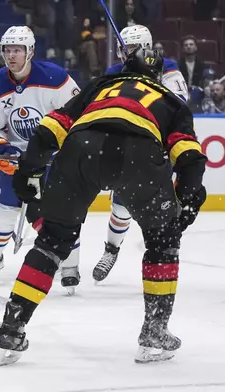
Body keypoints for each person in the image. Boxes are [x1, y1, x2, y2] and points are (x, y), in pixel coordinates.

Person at [0, 47, 206, 366]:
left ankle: (12, 327)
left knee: (52, 242)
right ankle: (154, 332)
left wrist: (30, 169)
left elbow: (52, 128)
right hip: (139, 154)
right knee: (162, 244)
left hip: (82, 148)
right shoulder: (172, 101)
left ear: (124, 68)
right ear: (157, 76)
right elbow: (188, 156)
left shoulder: (100, 85)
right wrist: (189, 199)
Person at [0, 26, 81, 291]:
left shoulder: (55, 78)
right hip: (16, 159)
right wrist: (2, 149)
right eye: (7, 50)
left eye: (17, 50)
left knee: (62, 213)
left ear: (30, 51)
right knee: (2, 208)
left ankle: (70, 265)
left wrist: (62, 147)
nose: (11, 56)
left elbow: (78, 116)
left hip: (54, 157)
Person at [94, 25, 189, 282]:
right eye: (124, 49)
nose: (127, 55)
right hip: (127, 146)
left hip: (158, 147)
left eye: (133, 49)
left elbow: (180, 102)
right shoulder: (116, 72)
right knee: (121, 206)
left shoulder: (167, 67)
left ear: (146, 47)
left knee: (164, 208)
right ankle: (111, 250)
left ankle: (165, 256)